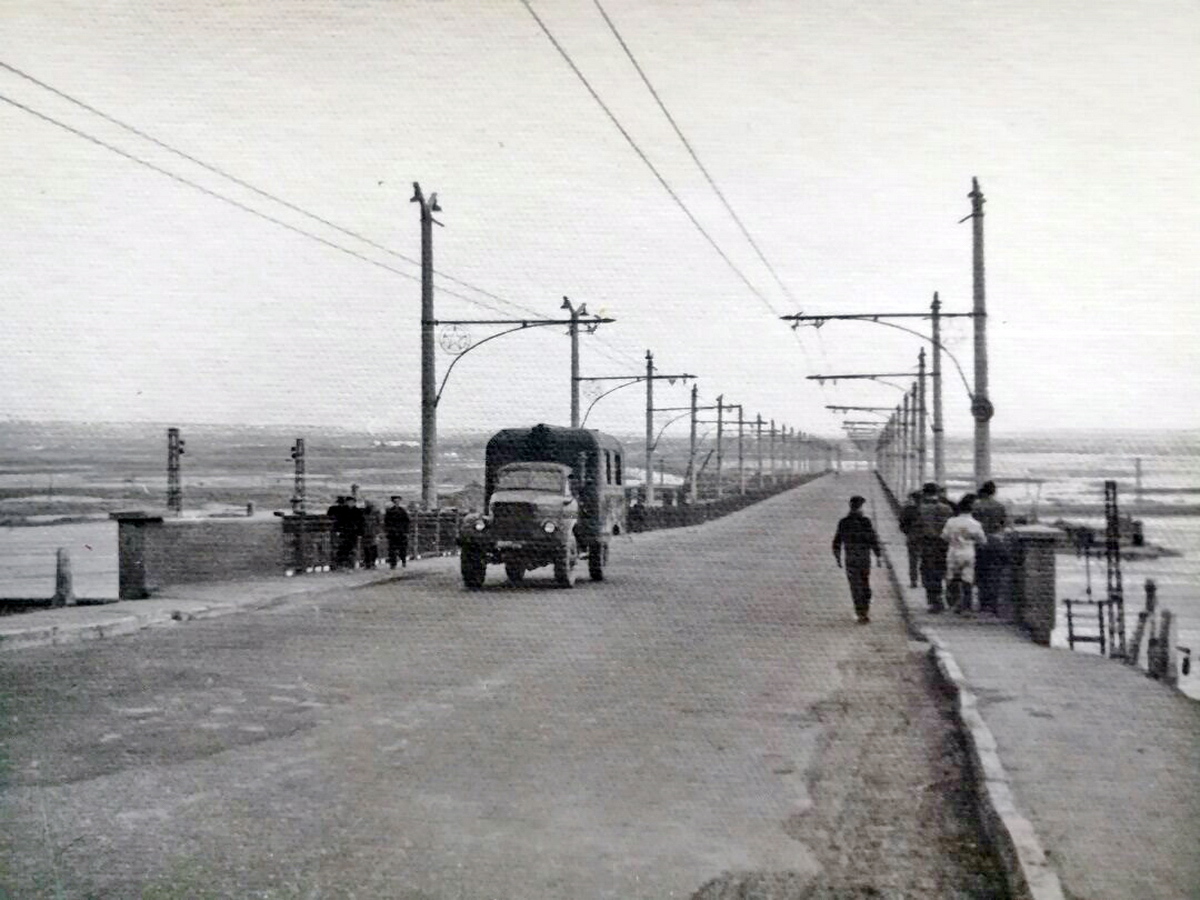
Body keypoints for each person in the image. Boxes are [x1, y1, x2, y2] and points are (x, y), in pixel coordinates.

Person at [831, 495, 883, 624]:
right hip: (864, 558)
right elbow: (873, 539)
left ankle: (860, 612)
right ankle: (864, 610)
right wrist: (878, 555)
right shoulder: (866, 522)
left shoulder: (843, 522)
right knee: (865, 583)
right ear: (860, 508)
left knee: (855, 586)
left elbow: (837, 542)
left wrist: (837, 557)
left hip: (851, 558)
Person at [943, 494, 988, 614]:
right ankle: (966, 606)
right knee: (967, 580)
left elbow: (945, 537)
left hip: (953, 552)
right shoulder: (976, 524)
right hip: (968, 552)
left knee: (953, 578)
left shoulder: (951, 521)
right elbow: (982, 540)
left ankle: (954, 602)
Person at [915, 482, 955, 613]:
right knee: (944, 570)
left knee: (928, 572)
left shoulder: (920, 509)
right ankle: (950, 596)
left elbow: (914, 527)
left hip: (927, 544)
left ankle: (934, 601)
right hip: (945, 544)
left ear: (924, 493)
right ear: (937, 493)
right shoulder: (947, 508)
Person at [972, 480, 1008, 614]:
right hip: (995, 541)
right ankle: (993, 604)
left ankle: (982, 603)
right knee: (994, 573)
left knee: (981, 573)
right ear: (993, 492)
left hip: (979, 542)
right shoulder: (999, 506)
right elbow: (1003, 524)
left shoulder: (975, 506)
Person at [898, 490, 922, 589]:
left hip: (912, 537)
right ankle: (926, 580)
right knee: (927, 560)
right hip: (926, 538)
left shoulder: (907, 510)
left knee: (913, 561)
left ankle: (913, 580)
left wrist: (908, 532)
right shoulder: (925, 509)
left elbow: (902, 524)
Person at [384, 495, 411, 569]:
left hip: (401, 533)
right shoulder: (389, 511)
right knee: (392, 549)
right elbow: (386, 522)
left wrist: (406, 531)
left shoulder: (402, 511)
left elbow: (407, 522)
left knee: (402, 548)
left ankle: (403, 561)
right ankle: (393, 563)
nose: (396, 503)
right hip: (393, 533)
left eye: (398, 501)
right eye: (395, 501)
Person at [361, 501, 382, 569]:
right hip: (366, 532)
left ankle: (371, 562)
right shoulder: (364, 512)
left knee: (372, 548)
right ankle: (368, 563)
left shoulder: (375, 512)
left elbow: (379, 522)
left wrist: (378, 532)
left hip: (372, 532)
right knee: (367, 548)